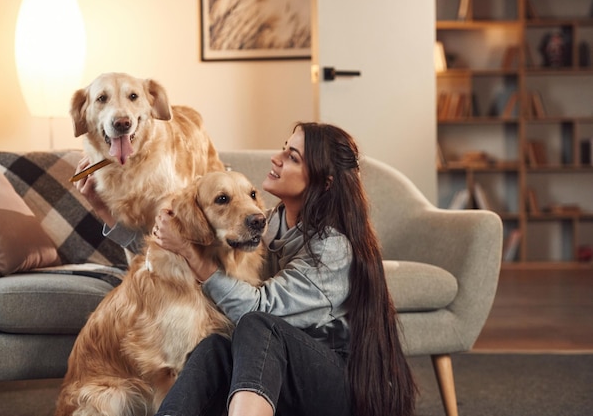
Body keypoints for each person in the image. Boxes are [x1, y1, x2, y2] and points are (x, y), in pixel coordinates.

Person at [149, 122, 417, 416]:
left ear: (323, 182)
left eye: (293, 157)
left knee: (257, 323)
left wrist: (189, 252)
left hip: (341, 386)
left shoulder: (331, 248)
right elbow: (190, 237)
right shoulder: (268, 223)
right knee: (215, 347)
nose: (276, 159)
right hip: (282, 371)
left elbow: (258, 307)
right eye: (284, 148)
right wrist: (108, 216)